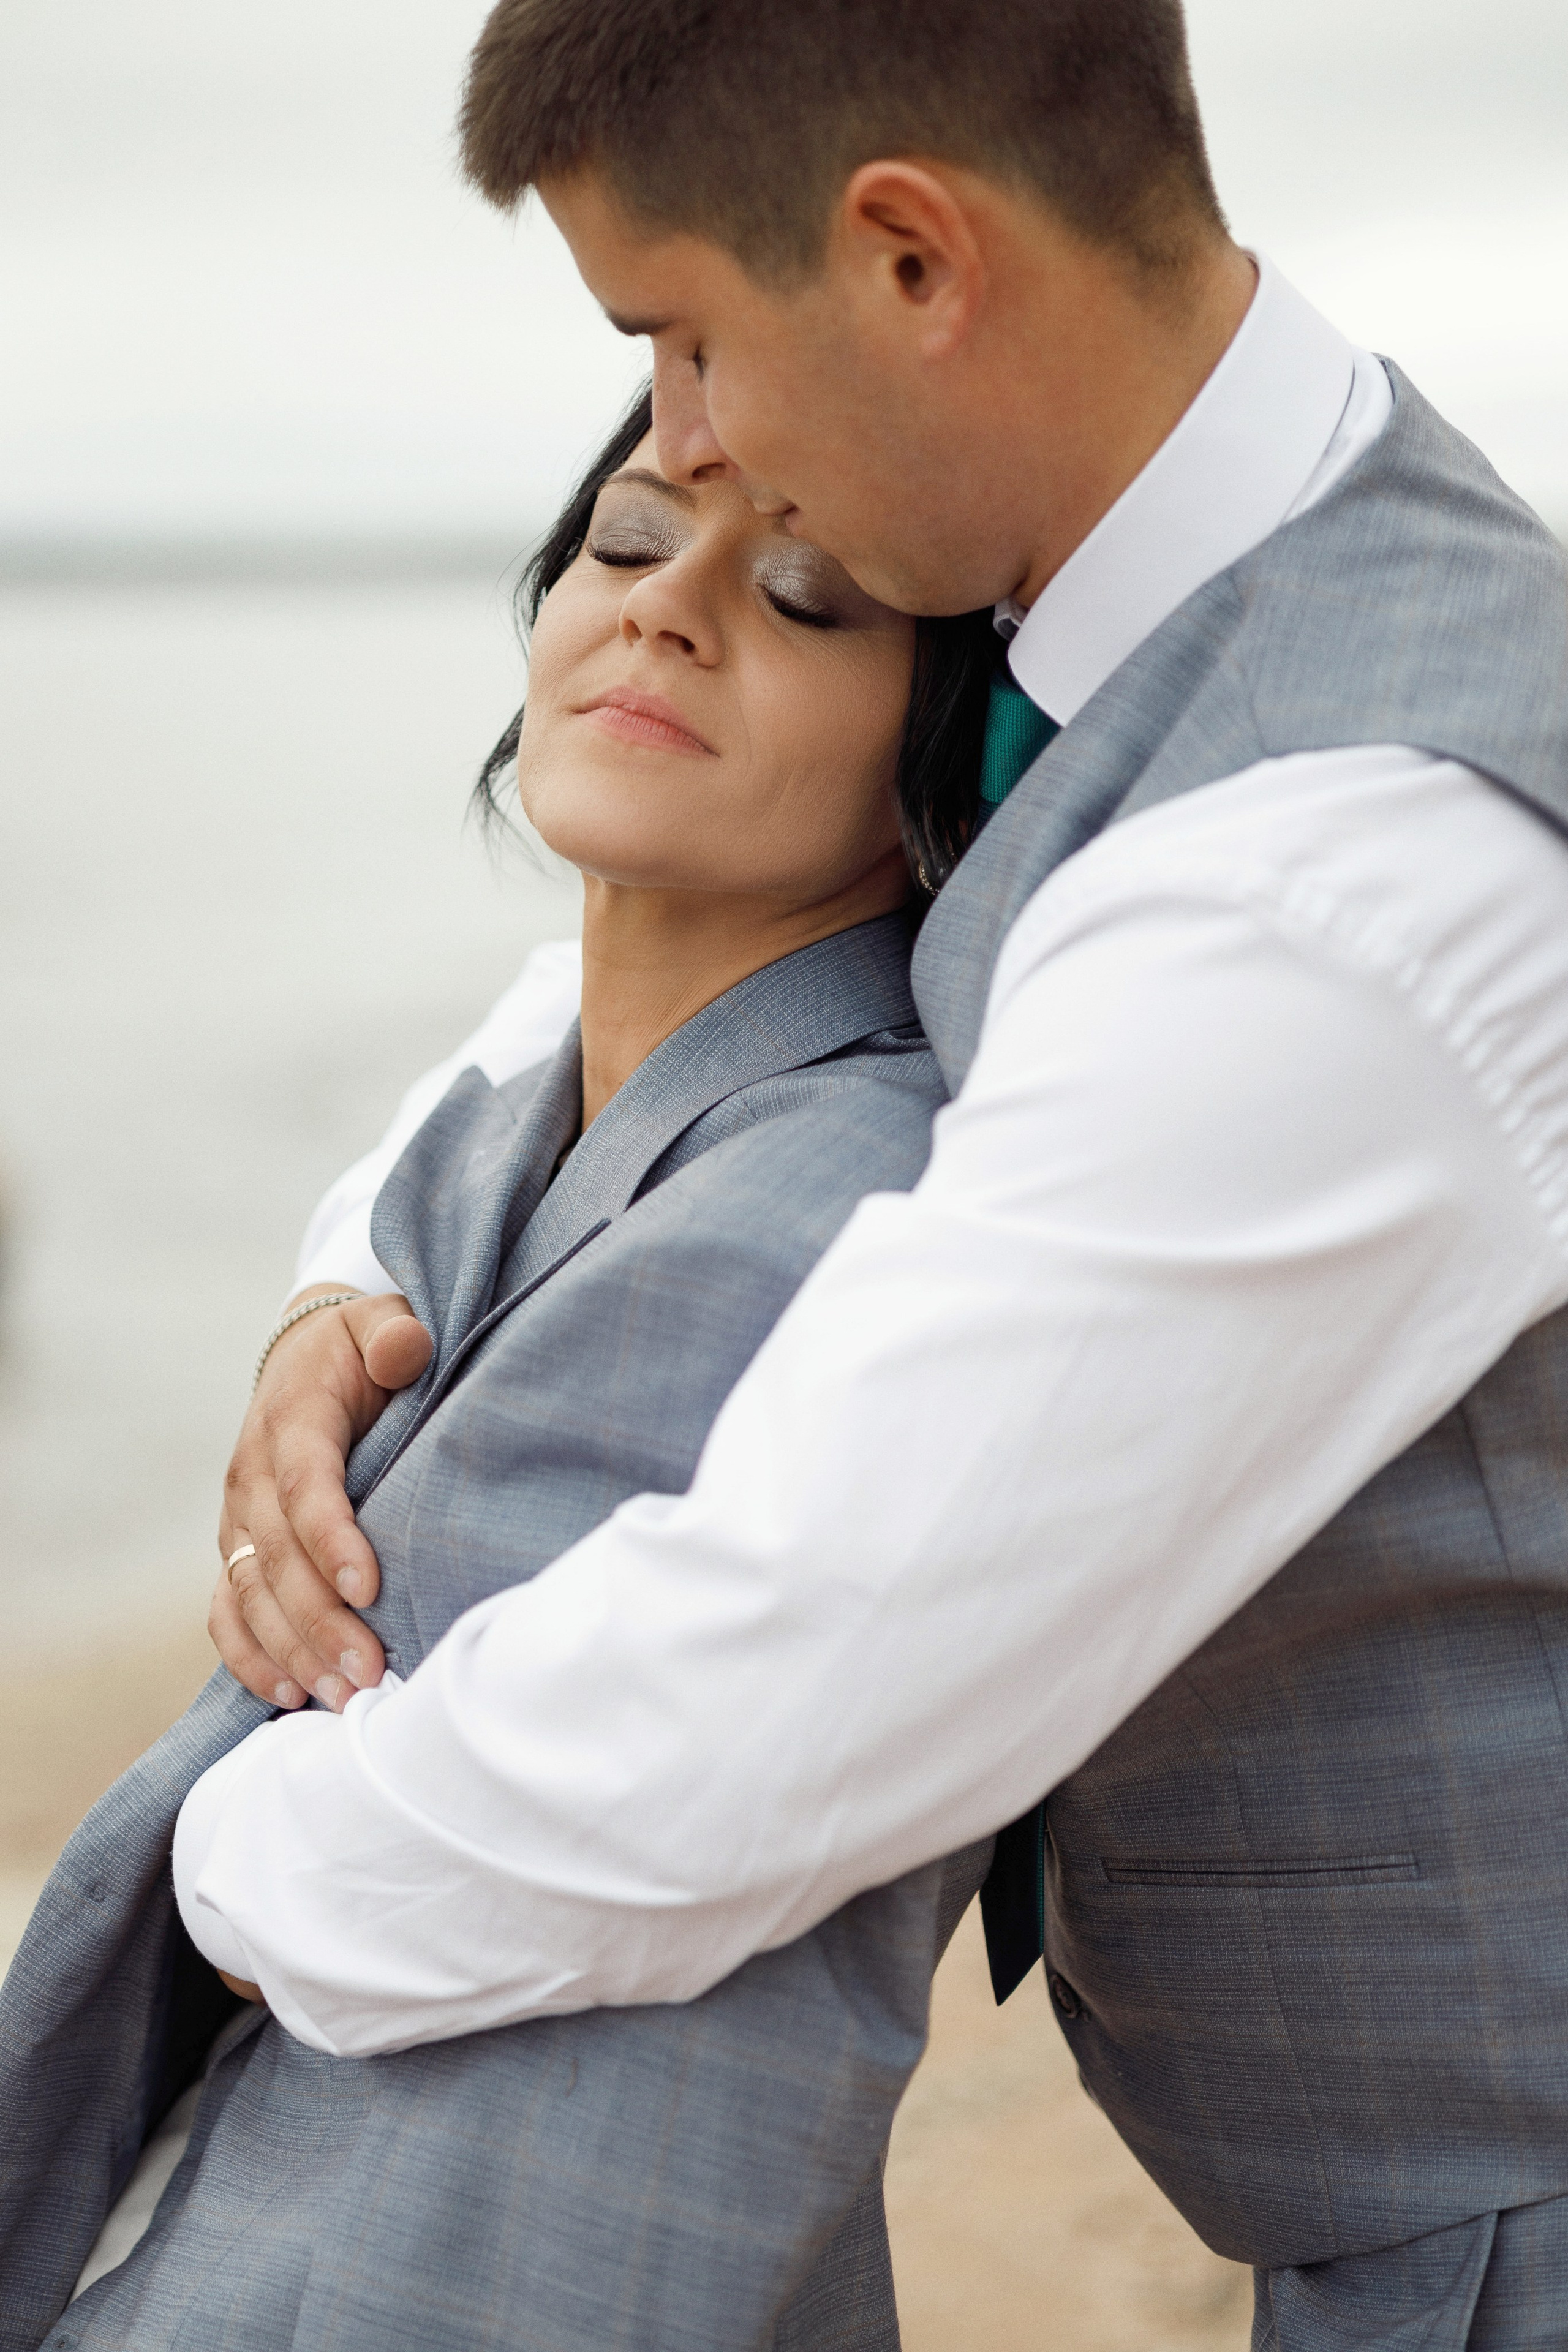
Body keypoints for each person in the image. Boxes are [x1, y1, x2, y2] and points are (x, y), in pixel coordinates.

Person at [60, 0, 1568, 2339]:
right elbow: (674, 1001)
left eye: (677, 334)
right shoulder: (1155, 591)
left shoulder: (1325, 872)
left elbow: (770, 1703)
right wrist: (341, 1280)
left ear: (908, 260)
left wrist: (212, 1852)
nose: (664, 436)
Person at [0, 401, 997, 2348]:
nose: (672, 613)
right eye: (626, 543)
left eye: (804, 592)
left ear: (940, 754)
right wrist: (325, 1303)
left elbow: (400, 1854)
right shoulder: (543, 1117)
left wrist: (214, 1834)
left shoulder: (824, 1211)